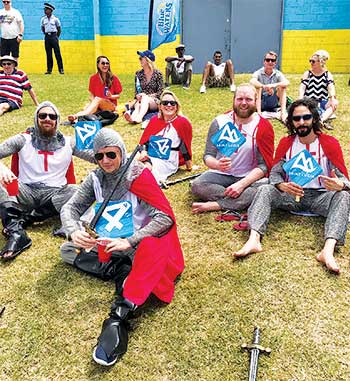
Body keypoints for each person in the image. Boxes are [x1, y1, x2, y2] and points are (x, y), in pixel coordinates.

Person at [60, 128, 184, 366]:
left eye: (111, 155)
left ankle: (120, 314)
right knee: (66, 251)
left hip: (137, 245)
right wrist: (74, 231)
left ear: (121, 153)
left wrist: (130, 241)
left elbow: (164, 218)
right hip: (110, 243)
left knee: (149, 250)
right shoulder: (96, 178)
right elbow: (70, 208)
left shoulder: (138, 176)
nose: (105, 161)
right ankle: (119, 271)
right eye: (100, 156)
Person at [234, 98, 350, 274]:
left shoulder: (329, 143)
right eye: (297, 119)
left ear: (314, 118)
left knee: (344, 196)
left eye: (306, 117)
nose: (301, 122)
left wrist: (339, 184)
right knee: (265, 189)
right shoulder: (286, 143)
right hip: (292, 196)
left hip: (321, 197)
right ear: (291, 121)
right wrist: (281, 185)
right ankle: (254, 239)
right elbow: (274, 173)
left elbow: (346, 182)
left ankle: (328, 250)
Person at [0, 101, 95, 260]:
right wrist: (2, 169)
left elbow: (96, 156)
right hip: (25, 192)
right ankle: (17, 233)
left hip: (55, 195)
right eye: (42, 115)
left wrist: (124, 155)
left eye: (52, 116)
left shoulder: (68, 142)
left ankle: (31, 218)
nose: (47, 119)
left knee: (77, 190)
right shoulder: (23, 139)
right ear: (36, 118)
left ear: (57, 120)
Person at [191, 83, 274, 213]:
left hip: (248, 177)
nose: (244, 103)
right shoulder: (220, 121)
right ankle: (238, 200)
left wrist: (241, 185)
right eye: (240, 99)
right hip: (222, 175)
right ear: (234, 100)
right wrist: (217, 164)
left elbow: (264, 166)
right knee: (197, 185)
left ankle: (216, 205)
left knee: (264, 187)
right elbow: (207, 155)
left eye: (249, 99)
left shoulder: (263, 126)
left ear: (256, 100)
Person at [139, 90, 192, 184]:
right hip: (149, 155)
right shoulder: (154, 120)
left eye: (172, 103)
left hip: (166, 161)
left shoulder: (183, 123)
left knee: (144, 168)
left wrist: (189, 165)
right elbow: (144, 141)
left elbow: (184, 146)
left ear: (177, 106)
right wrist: (143, 152)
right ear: (160, 106)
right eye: (165, 103)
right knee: (128, 160)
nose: (169, 105)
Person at [68, 55, 122, 122]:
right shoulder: (93, 78)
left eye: (107, 63)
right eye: (103, 63)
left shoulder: (114, 78)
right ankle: (75, 118)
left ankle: (76, 116)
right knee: (88, 107)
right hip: (97, 103)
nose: (105, 65)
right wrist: (93, 104)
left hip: (110, 105)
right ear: (98, 65)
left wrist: (111, 96)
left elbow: (118, 96)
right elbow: (91, 95)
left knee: (97, 100)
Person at [299, 50, 338, 126]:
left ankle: (321, 120)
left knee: (335, 102)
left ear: (321, 62)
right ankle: (322, 116)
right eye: (310, 61)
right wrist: (300, 97)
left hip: (322, 102)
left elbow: (331, 87)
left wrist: (332, 98)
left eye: (313, 61)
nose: (311, 63)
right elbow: (302, 87)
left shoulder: (327, 74)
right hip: (309, 101)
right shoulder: (307, 73)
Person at [124, 50, 163, 124]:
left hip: (154, 100)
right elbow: (137, 90)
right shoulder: (138, 73)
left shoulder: (158, 74)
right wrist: (138, 95)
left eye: (141, 58)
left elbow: (160, 92)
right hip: (140, 99)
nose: (139, 59)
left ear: (148, 60)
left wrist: (147, 96)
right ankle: (132, 118)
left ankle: (139, 118)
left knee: (145, 98)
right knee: (138, 104)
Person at [250, 50, 289, 122]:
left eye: (272, 60)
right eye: (268, 60)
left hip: (273, 101)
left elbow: (287, 82)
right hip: (260, 101)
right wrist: (264, 87)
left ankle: (283, 113)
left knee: (282, 87)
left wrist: (273, 85)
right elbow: (252, 81)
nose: (270, 62)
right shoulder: (258, 73)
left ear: (275, 63)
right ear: (264, 62)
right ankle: (259, 113)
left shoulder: (278, 74)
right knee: (258, 87)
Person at [41, 3, 64, 75]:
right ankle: (49, 70)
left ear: (50, 10)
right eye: (44, 9)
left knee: (57, 53)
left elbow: (59, 28)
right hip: (47, 37)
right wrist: (47, 34)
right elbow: (43, 28)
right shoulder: (43, 19)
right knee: (48, 54)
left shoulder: (55, 19)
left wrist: (56, 37)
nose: (45, 11)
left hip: (54, 36)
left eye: (46, 9)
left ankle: (61, 69)